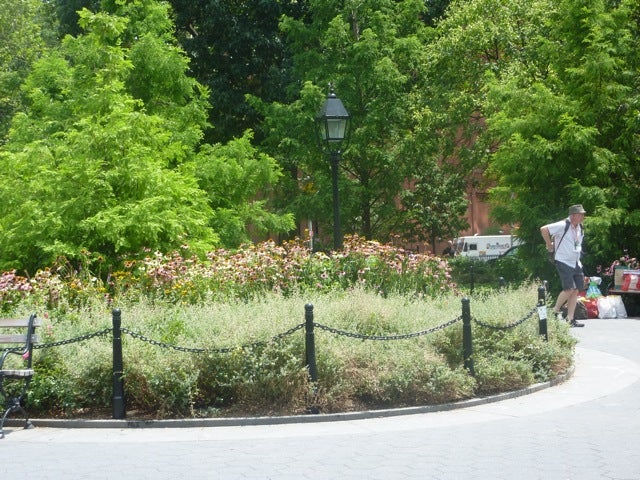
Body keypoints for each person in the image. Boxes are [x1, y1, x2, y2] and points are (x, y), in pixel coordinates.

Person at [540, 204, 587, 327]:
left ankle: (570, 319)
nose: (583, 216)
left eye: (583, 214)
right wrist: (549, 244)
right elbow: (544, 229)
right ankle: (555, 310)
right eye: (581, 214)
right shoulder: (563, 225)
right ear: (573, 215)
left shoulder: (579, 227)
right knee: (569, 289)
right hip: (563, 260)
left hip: (576, 262)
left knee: (576, 290)